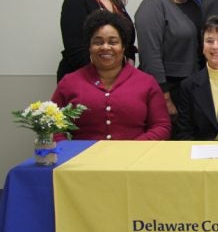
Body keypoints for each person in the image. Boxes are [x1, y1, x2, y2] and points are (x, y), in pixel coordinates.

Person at [51, 10, 171, 140]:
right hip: (82, 157)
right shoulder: (69, 82)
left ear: (123, 47)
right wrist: (68, 151)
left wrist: (134, 149)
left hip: (134, 157)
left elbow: (161, 126)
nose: (105, 47)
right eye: (98, 42)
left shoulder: (146, 83)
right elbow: (53, 127)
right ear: (89, 47)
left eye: (113, 42)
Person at [135, 0, 202, 118]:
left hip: (192, 84)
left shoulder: (192, 0)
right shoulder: (151, 6)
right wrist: (165, 98)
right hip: (169, 89)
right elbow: (150, 57)